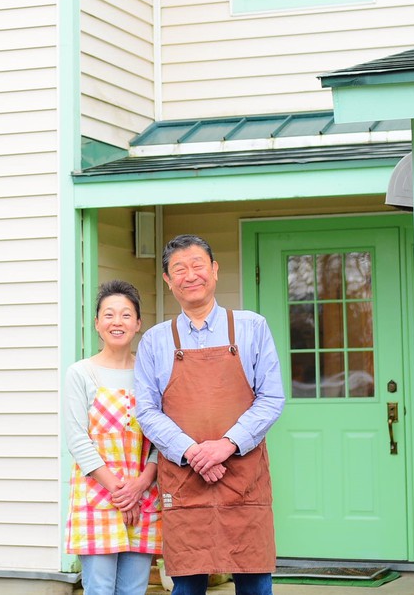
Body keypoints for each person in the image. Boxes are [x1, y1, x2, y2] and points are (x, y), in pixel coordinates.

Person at [134, 234, 284, 595]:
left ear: (215, 270)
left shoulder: (252, 327)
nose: (190, 275)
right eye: (179, 269)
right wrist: (193, 452)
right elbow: (147, 410)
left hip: (242, 477)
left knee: (255, 581)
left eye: (198, 264)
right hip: (186, 480)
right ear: (169, 282)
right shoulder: (155, 340)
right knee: (186, 585)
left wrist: (226, 445)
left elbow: (271, 398)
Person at [64, 279, 162, 595]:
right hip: (97, 496)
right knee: (100, 588)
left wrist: (139, 486)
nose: (116, 322)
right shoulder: (80, 372)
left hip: (143, 494)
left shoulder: (150, 374)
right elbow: (78, 440)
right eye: (108, 315)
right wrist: (120, 492)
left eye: (124, 315)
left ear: (137, 324)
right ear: (96, 323)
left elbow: (161, 438)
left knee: (134, 590)